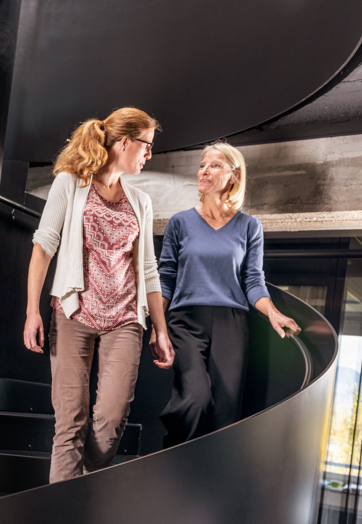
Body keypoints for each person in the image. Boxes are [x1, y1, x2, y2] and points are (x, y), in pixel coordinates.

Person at [23, 107, 174, 483]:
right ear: (124, 142)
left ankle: (83, 486)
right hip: (73, 315)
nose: (149, 153)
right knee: (70, 423)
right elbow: (43, 247)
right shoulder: (70, 184)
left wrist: (160, 330)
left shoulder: (141, 202)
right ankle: (63, 509)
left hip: (125, 321)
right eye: (146, 145)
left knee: (110, 424)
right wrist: (32, 311)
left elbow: (149, 270)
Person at [154, 141, 300, 448]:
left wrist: (273, 313)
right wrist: (158, 327)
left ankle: (209, 475)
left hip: (231, 323)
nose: (204, 171)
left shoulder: (249, 226)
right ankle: (172, 462)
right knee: (194, 399)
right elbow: (165, 279)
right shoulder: (180, 222)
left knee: (225, 413)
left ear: (234, 176)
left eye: (215, 165)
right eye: (202, 165)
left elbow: (253, 281)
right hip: (185, 321)